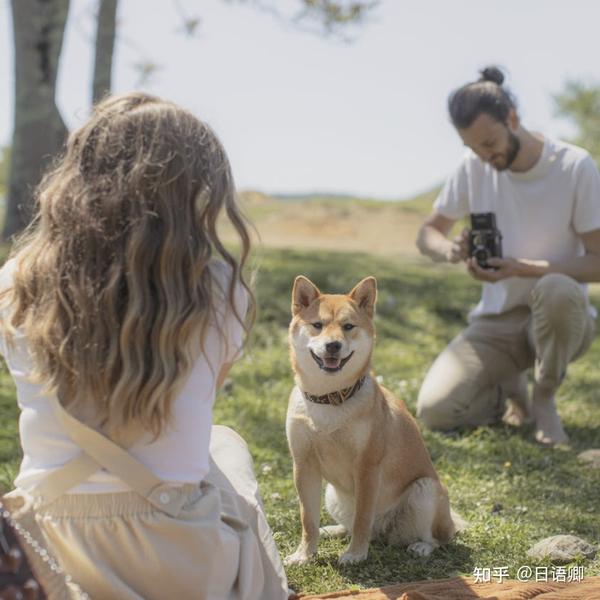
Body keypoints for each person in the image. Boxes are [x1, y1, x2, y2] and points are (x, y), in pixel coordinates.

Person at [0, 92, 289, 599]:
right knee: (225, 445)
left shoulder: (14, 284)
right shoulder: (221, 289)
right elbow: (201, 398)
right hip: (179, 564)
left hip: (49, 553)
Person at [415, 66, 600, 446]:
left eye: (489, 142)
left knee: (555, 289)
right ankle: (508, 386)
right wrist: (450, 250)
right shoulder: (474, 168)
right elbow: (427, 233)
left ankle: (544, 398)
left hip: (561, 317)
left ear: (512, 119)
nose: (484, 156)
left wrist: (523, 268)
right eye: (472, 148)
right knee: (436, 411)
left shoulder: (574, 166)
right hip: (497, 322)